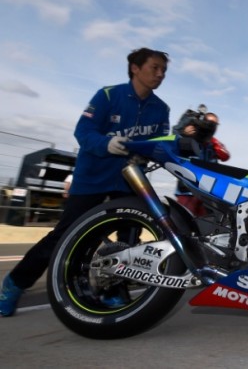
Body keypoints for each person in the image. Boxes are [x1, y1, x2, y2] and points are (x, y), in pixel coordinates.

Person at [0, 47, 171, 317]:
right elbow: (83, 131)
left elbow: (161, 144)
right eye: (155, 67)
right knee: (64, 236)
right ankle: (14, 284)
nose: (160, 74)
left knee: (128, 241)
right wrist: (106, 143)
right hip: (92, 178)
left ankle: (112, 290)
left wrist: (156, 153)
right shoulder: (107, 95)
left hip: (129, 182)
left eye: (164, 70)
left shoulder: (161, 109)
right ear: (135, 68)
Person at [173, 107, 230, 216]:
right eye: (208, 123)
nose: (210, 126)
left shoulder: (213, 145)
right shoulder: (189, 138)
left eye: (214, 124)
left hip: (207, 194)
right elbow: (174, 137)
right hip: (188, 191)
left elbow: (225, 156)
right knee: (182, 223)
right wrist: (183, 130)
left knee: (208, 228)